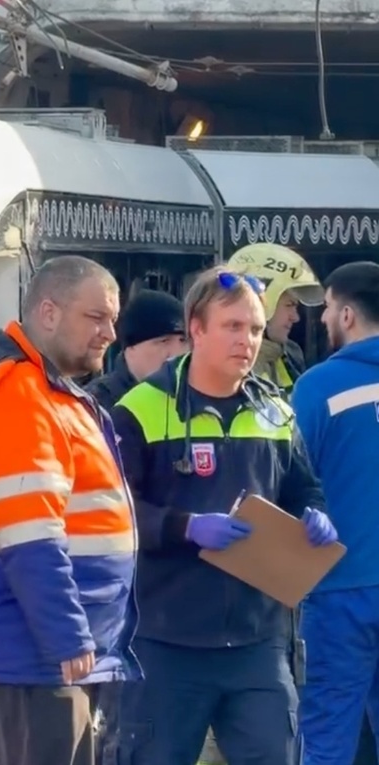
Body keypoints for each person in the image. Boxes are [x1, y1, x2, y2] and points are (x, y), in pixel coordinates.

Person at [112, 267, 335, 765]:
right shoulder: (140, 409)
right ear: (196, 328)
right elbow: (113, 517)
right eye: (233, 327)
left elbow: (304, 488)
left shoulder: (275, 411)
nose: (247, 341)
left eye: (255, 329)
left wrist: (315, 516)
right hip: (166, 644)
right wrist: (186, 527)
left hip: (257, 646)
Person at [0, 255, 138, 765]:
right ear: (48, 312)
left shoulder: (50, 394)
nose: (110, 332)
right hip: (35, 656)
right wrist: (67, 636)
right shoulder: (19, 397)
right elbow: (29, 535)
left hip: (44, 654)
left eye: (112, 319)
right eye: (96, 317)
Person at [291, 262, 379, 765]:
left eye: (325, 307)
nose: (323, 318)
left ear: (346, 313)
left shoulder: (317, 387)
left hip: (338, 587)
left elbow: (292, 478)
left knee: (327, 736)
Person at [226, 243, 324, 394]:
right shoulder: (228, 364)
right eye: (289, 305)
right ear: (261, 304)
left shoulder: (291, 354)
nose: (296, 317)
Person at [86, 288, 187, 410]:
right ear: (131, 347)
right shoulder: (93, 405)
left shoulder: (193, 400)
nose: (178, 353)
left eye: (183, 340)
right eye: (164, 341)